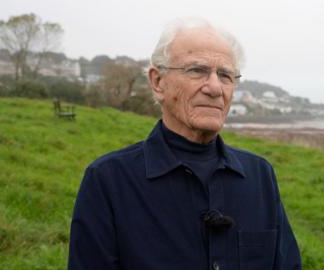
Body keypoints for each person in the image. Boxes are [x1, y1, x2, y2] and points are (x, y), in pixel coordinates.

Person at [68, 18, 302, 270]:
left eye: (225, 75)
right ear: (158, 82)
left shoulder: (260, 175)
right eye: (197, 70)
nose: (214, 87)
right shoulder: (108, 180)